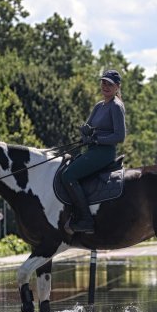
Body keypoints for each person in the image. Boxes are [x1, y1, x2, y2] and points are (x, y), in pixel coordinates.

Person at [62, 69, 127, 234]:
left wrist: (97, 139)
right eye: (103, 82)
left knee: (68, 175)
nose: (105, 86)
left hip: (104, 153)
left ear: (117, 87)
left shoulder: (116, 106)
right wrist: (85, 133)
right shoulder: (99, 105)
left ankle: (85, 220)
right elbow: (89, 129)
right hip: (92, 151)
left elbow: (120, 136)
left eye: (110, 84)